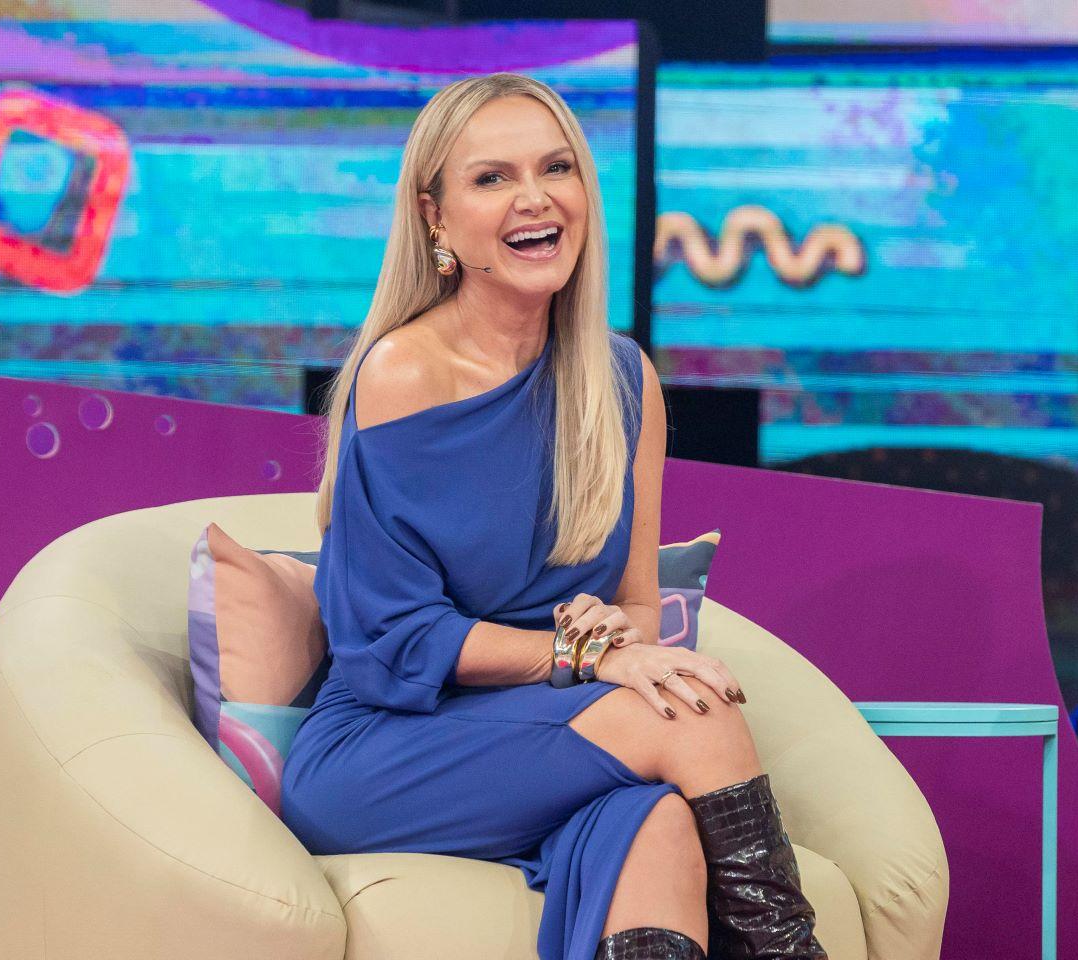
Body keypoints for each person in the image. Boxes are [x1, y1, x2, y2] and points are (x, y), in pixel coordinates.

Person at [280, 73, 827, 960]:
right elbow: (394, 640)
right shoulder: (405, 374)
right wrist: (589, 657)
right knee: (689, 713)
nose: (534, 198)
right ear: (435, 218)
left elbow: (640, 604)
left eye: (556, 168)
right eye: (492, 178)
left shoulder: (624, 380)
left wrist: (617, 632)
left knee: (658, 827)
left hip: (555, 732)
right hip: (390, 745)